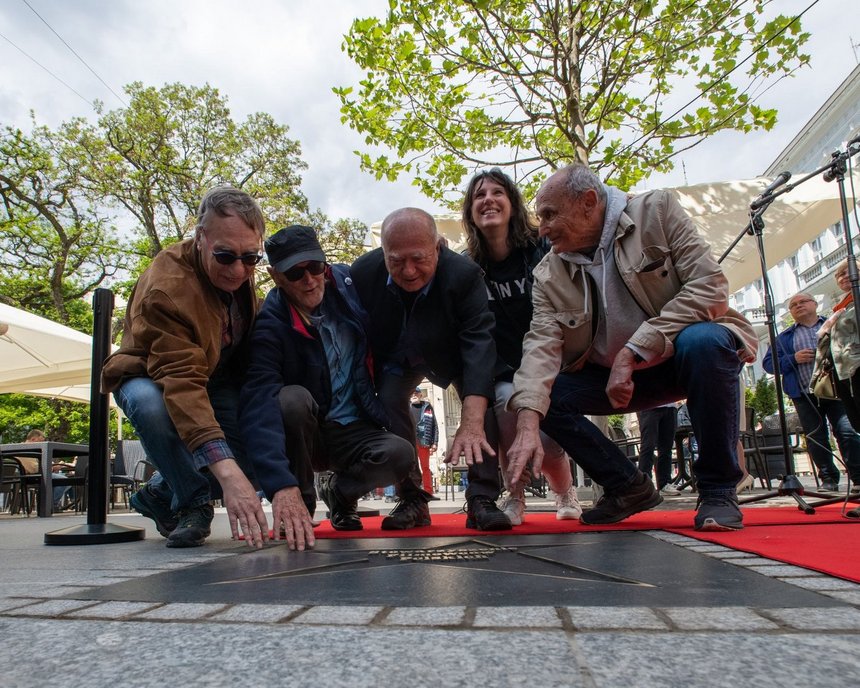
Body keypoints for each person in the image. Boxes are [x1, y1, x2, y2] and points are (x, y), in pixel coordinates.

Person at [506, 163, 758, 531]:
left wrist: (634, 350)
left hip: (678, 360)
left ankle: (718, 491)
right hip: (610, 381)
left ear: (589, 202)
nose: (541, 229)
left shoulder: (657, 211)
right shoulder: (547, 274)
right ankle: (626, 486)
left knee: (705, 339)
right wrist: (527, 423)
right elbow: (541, 347)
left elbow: (710, 287)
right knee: (545, 396)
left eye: (549, 215)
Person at [102, 186, 269, 549]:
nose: (239, 269)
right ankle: (193, 504)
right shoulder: (167, 289)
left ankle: (160, 493)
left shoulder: (236, 263)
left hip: (215, 376)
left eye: (251, 257)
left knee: (259, 444)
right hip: (150, 375)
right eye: (225, 256)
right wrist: (227, 476)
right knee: (151, 405)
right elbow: (182, 382)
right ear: (200, 238)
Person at [239, 226, 416, 548]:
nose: (309, 280)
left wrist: (430, 244)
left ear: (326, 265)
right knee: (290, 399)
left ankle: (340, 494)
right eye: (295, 273)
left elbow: (395, 248)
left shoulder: (348, 285)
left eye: (316, 267)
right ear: (275, 276)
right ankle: (299, 510)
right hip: (310, 431)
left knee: (400, 454)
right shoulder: (270, 323)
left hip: (356, 426)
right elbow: (259, 397)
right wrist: (280, 485)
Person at [350, 207, 511, 531]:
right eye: (396, 261)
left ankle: (482, 498)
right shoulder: (364, 274)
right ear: (383, 253)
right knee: (388, 402)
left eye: (419, 259)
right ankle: (412, 499)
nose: (408, 271)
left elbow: (479, 343)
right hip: (397, 357)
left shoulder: (464, 275)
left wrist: (472, 416)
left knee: (483, 405)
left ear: (437, 247)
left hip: (452, 357)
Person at [461, 168, 581, 524]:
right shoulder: (468, 267)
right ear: (470, 211)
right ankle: (516, 496)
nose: (488, 200)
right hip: (503, 368)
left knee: (547, 437)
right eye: (478, 196)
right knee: (503, 406)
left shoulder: (542, 249)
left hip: (548, 362)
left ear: (512, 203)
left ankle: (564, 490)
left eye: (497, 192)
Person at [762, 291, 860, 492]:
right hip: (803, 394)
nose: (799, 306)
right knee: (815, 436)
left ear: (815, 304)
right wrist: (793, 358)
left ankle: (858, 477)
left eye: (803, 301)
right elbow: (768, 365)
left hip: (835, 390)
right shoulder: (784, 337)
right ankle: (828, 478)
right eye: (793, 304)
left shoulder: (834, 325)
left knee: (846, 431)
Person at [636, 403, 681, 496]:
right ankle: (645, 487)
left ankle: (665, 483)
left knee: (667, 448)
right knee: (648, 446)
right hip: (648, 406)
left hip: (670, 406)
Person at [410, 388, 438, 494]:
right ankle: (413, 492)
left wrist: (434, 443)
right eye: (412, 393)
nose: (414, 394)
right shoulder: (406, 406)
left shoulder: (427, 406)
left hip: (424, 442)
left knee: (425, 468)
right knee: (411, 468)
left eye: (416, 393)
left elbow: (434, 425)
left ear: (420, 395)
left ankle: (428, 491)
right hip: (410, 442)